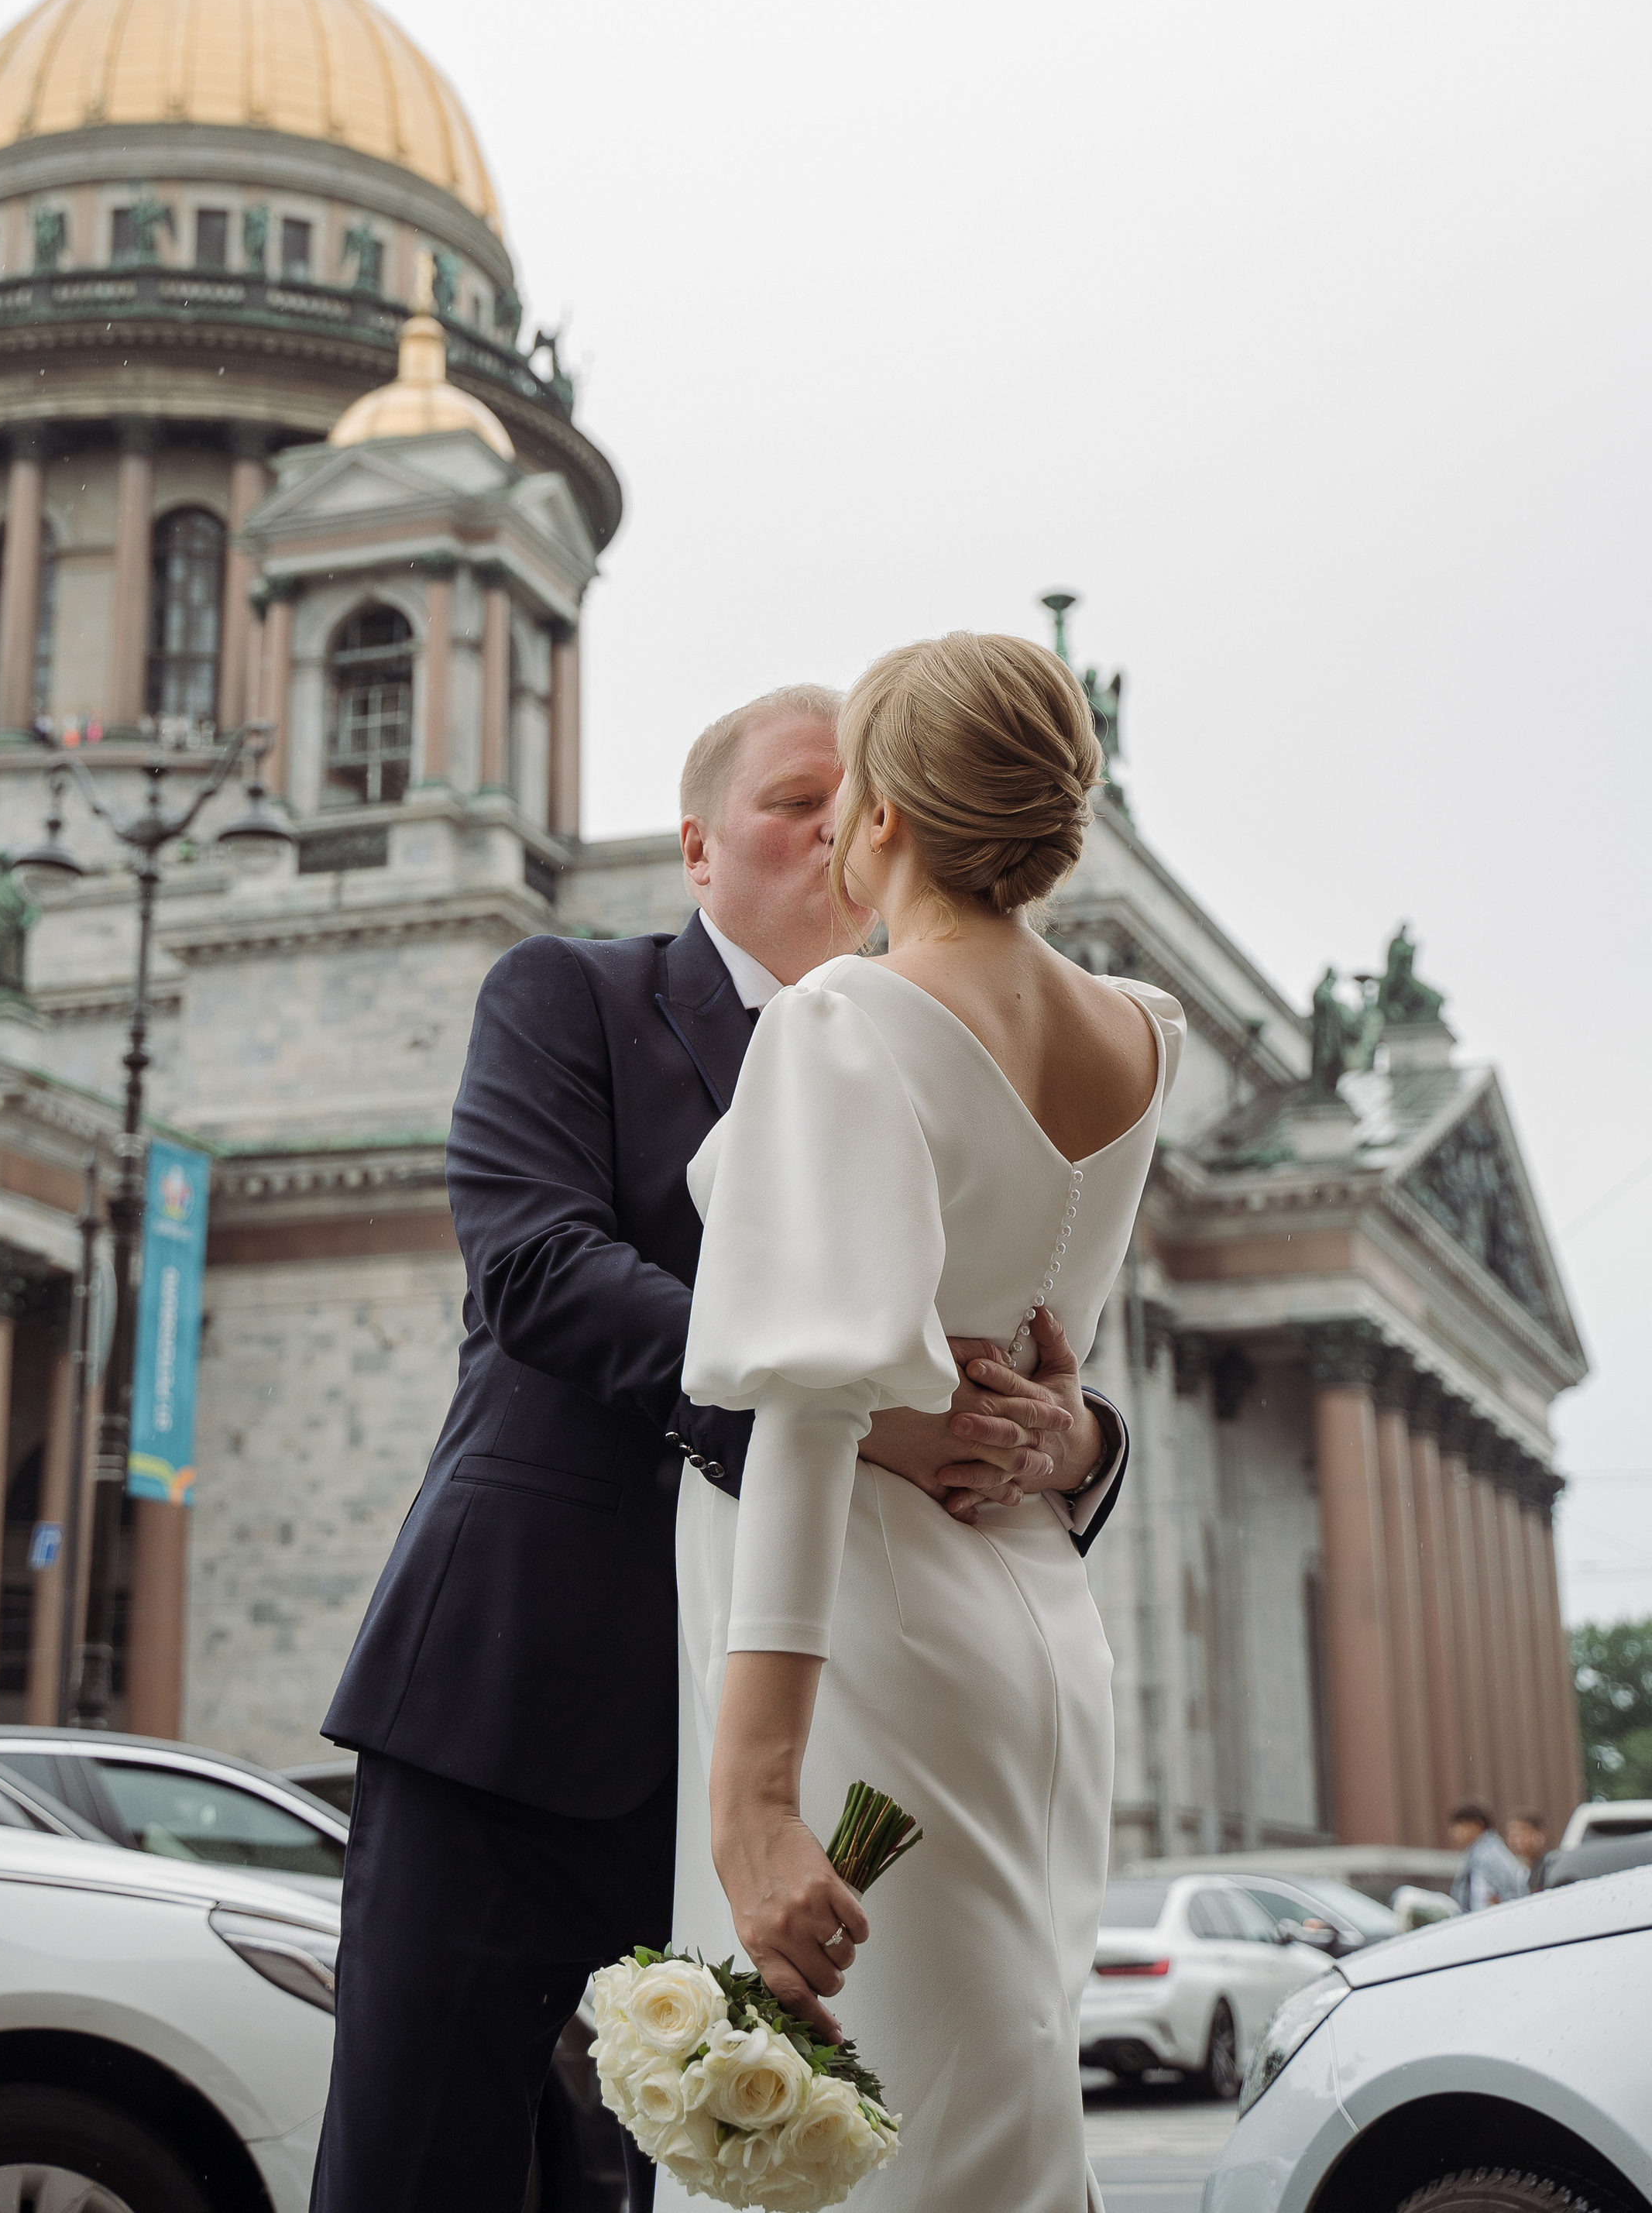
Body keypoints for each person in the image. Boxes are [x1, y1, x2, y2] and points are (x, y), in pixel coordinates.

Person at [311, 682, 1132, 2213]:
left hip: (826, 1736)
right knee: (420, 2163)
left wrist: (1067, 1444)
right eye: (789, 797)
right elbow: (540, 1270)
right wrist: (846, 1408)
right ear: (695, 850)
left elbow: (1050, 1355)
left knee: (740, 2171)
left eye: (857, 791)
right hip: (519, 1702)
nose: (831, 823)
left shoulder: (967, 1048)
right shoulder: (568, 995)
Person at [664, 634, 1183, 2213]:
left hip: (868, 1642)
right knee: (993, 2096)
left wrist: (753, 1800)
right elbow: (1043, 1359)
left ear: (882, 813)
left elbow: (813, 1423)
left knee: (837, 2136)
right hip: (1039, 1629)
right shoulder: (1141, 1034)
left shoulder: (843, 1022)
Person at [1449, 1801, 1531, 1907]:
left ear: (1477, 1824)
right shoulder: (1478, 1852)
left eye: (1460, 1824)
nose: (1454, 1831)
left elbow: (1505, 1892)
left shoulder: (1488, 1854)